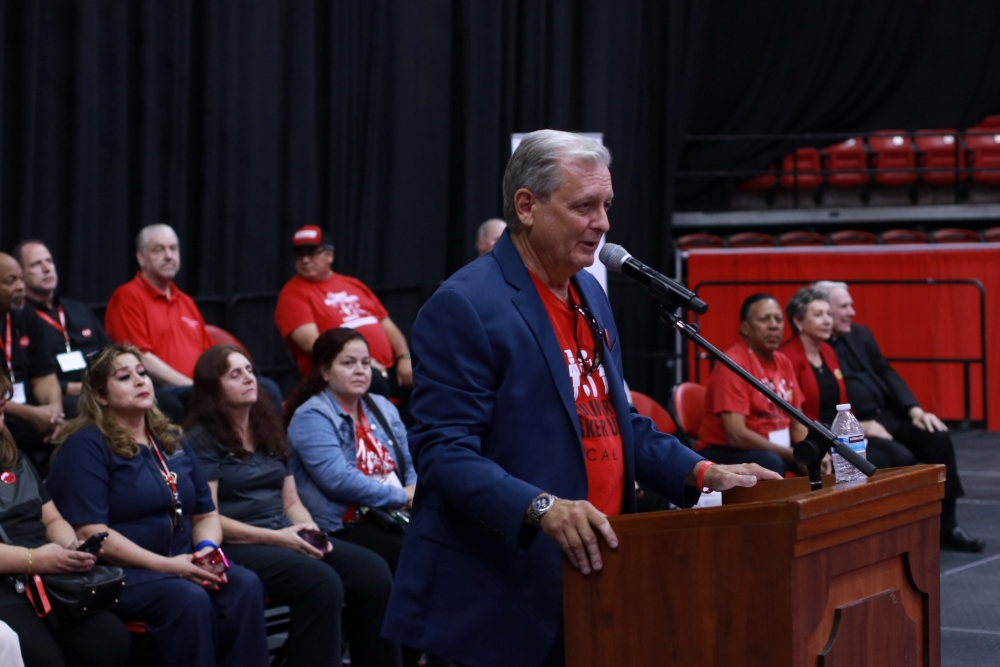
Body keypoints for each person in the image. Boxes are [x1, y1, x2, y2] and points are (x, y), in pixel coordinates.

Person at [380, 129, 779, 667]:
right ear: (527, 206)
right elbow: (443, 454)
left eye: (607, 205)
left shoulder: (588, 292)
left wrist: (706, 473)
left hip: (599, 571)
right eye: (584, 206)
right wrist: (541, 508)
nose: (604, 223)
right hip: (504, 594)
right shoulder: (466, 306)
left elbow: (619, 421)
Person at [45, 344, 271, 667]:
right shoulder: (85, 446)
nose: (140, 381)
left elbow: (206, 514)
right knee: (188, 598)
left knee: (244, 584)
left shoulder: (171, 439)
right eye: (125, 377)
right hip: (123, 573)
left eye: (143, 373)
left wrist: (205, 550)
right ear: (100, 396)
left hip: (183, 560)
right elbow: (92, 532)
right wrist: (169, 566)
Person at [185, 344, 401, 667]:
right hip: (237, 541)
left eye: (249, 370)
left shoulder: (267, 428)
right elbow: (208, 517)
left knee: (373, 573)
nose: (248, 378)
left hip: (283, 531)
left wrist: (309, 530)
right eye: (235, 374)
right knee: (320, 582)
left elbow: (291, 501)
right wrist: (281, 538)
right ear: (212, 388)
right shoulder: (202, 440)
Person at [818, 280, 985, 552]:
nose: (852, 312)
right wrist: (859, 425)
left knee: (938, 436)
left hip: (890, 415)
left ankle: (949, 524)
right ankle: (903, 532)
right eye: (844, 306)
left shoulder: (861, 335)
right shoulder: (816, 347)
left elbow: (886, 373)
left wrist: (915, 410)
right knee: (900, 456)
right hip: (859, 425)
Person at [0, 372, 130, 667]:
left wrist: (70, 546)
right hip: (8, 583)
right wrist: (35, 559)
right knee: (44, 659)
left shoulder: (13, 456)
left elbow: (53, 519)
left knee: (110, 640)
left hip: (45, 574)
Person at [104, 224, 283, 413]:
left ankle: (266, 443)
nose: (168, 255)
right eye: (159, 249)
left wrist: (222, 380)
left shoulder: (185, 301)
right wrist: (195, 387)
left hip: (197, 385)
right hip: (161, 388)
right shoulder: (127, 296)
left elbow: (208, 356)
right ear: (141, 258)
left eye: (173, 248)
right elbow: (140, 358)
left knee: (266, 388)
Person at [14, 240, 184, 423]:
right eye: (36, 264)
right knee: (90, 409)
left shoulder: (78, 309)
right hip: (64, 394)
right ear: (20, 275)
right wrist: (70, 388)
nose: (46, 268)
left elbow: (109, 353)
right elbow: (32, 375)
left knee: (169, 402)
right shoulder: (20, 318)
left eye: (49, 261)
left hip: (102, 386)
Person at [780, 286, 914, 470]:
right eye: (818, 315)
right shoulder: (787, 358)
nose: (827, 320)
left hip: (841, 433)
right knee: (882, 462)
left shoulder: (827, 351)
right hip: (816, 436)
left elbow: (843, 403)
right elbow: (797, 419)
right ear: (798, 321)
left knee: (903, 455)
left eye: (829, 314)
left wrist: (854, 431)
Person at [273, 226, 413, 399]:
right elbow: (312, 344)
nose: (306, 260)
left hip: (387, 367)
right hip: (344, 374)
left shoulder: (353, 283)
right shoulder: (292, 293)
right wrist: (363, 362)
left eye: (312, 253)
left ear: (330, 255)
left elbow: (387, 324)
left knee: (426, 374)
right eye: (300, 255)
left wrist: (404, 357)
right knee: (373, 380)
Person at [697, 294, 818, 477]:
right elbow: (736, 435)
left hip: (777, 447)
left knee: (819, 456)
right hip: (724, 450)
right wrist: (791, 454)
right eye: (764, 319)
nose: (774, 325)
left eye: (778, 319)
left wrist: (809, 455)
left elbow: (798, 424)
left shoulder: (783, 362)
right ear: (745, 327)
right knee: (770, 462)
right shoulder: (732, 364)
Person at [0, 253, 64, 475]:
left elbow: (44, 374)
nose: (20, 287)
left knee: (82, 421)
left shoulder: (25, 315)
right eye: (10, 281)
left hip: (31, 404)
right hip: (7, 411)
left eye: (20, 279)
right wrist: (31, 414)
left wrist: (53, 411)